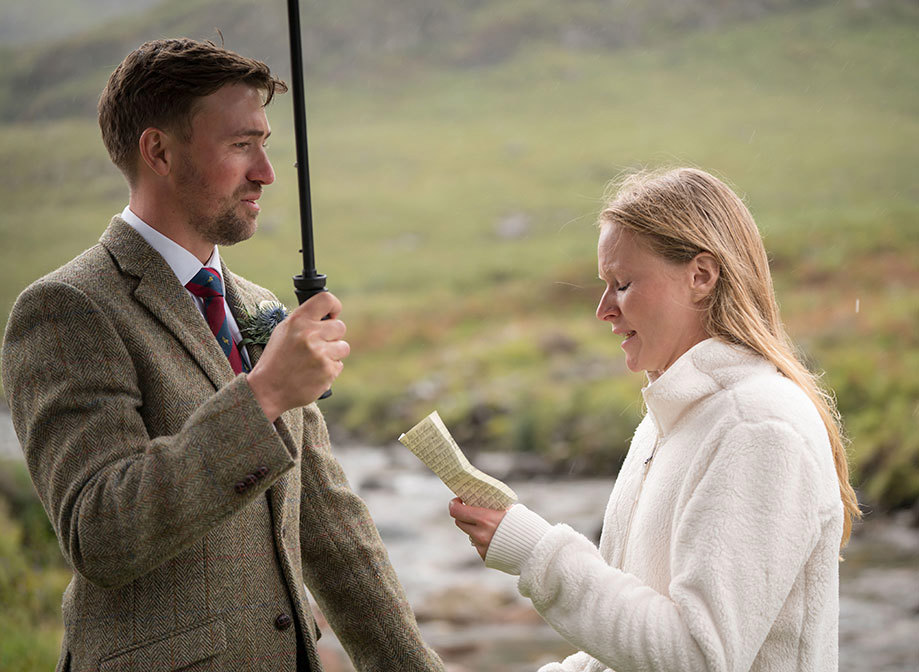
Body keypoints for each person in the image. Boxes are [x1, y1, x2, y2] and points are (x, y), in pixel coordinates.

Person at [1, 39, 443, 672]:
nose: (265, 171)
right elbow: (100, 532)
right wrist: (261, 396)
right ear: (158, 151)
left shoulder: (255, 303)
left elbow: (329, 526)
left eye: (264, 143)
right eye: (240, 145)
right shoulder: (66, 309)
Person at [449, 167, 861, 672]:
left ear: (701, 276)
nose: (603, 309)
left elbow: (698, 657)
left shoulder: (758, 426)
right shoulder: (667, 421)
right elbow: (629, 647)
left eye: (622, 284)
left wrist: (539, 553)